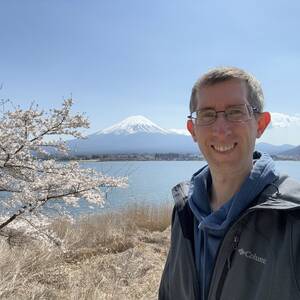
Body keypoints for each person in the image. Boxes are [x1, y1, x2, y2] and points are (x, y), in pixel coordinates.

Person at [159, 66, 300, 300]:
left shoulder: (293, 217)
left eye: (235, 112)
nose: (221, 129)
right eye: (207, 114)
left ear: (261, 124)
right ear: (192, 130)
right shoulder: (184, 209)